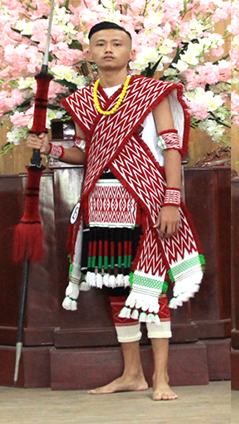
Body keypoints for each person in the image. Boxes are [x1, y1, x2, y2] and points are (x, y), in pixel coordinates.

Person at [26, 21, 204, 401]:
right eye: (101, 44)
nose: (108, 49)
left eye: (117, 43)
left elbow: (172, 148)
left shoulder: (151, 93)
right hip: (102, 203)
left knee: (150, 286)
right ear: (89, 53)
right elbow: (85, 152)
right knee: (116, 287)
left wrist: (171, 200)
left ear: (130, 52)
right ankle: (132, 374)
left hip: (147, 198)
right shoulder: (81, 101)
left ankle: (161, 377)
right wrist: (49, 148)